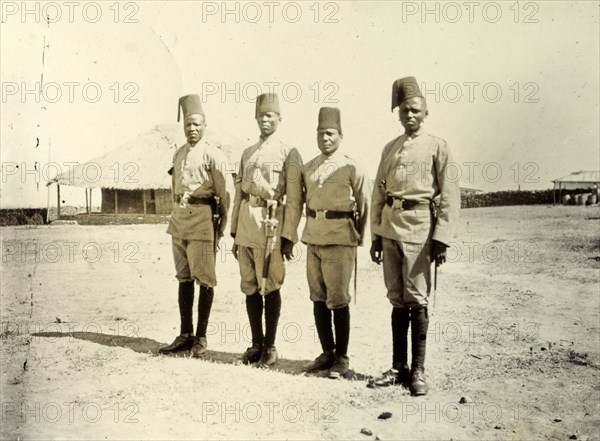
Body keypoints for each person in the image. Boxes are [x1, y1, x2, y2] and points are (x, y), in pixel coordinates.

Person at [369, 77, 460, 395]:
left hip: (421, 228)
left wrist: (441, 238)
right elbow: (378, 194)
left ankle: (418, 370)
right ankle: (398, 367)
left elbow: (449, 194)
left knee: (417, 299)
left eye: (415, 110)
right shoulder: (389, 148)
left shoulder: (438, 146)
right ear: (398, 113)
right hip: (391, 227)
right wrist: (377, 236)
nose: (410, 115)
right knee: (397, 298)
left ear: (426, 112)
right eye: (404, 110)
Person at [231, 93, 303, 367]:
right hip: (248, 226)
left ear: (280, 119)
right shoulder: (247, 153)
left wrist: (288, 237)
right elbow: (239, 195)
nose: (265, 120)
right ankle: (256, 343)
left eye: (270, 115)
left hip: (271, 226)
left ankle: (270, 346)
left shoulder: (289, 152)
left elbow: (295, 199)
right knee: (249, 285)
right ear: (255, 118)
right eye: (261, 115)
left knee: (269, 285)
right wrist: (235, 232)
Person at [301, 107, 370, 379]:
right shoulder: (308, 167)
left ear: (341, 135)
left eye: (330, 133)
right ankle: (326, 352)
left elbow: (364, 203)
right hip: (313, 238)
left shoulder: (352, 166)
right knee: (317, 297)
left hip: (340, 240)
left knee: (338, 299)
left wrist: (358, 238)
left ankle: (342, 357)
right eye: (320, 133)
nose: (325, 138)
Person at [159, 94, 229, 357]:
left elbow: (227, 193)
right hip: (179, 223)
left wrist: (220, 227)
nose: (192, 128)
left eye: (197, 124)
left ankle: (201, 337)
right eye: (188, 124)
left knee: (205, 279)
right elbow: (174, 186)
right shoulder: (179, 153)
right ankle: (185, 334)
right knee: (184, 277)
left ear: (205, 125)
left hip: (202, 221)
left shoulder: (214, 155)